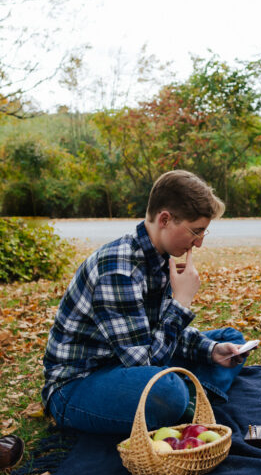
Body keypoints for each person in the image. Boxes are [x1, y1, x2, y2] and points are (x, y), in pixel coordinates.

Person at [41, 170, 247, 435]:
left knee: (231, 341)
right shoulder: (118, 270)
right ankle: (188, 398)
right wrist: (181, 303)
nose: (198, 243)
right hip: (79, 385)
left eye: (203, 233)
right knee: (167, 391)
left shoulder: (158, 256)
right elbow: (146, 365)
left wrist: (212, 350)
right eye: (195, 232)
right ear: (165, 219)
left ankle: (192, 396)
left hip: (127, 362)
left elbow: (155, 335)